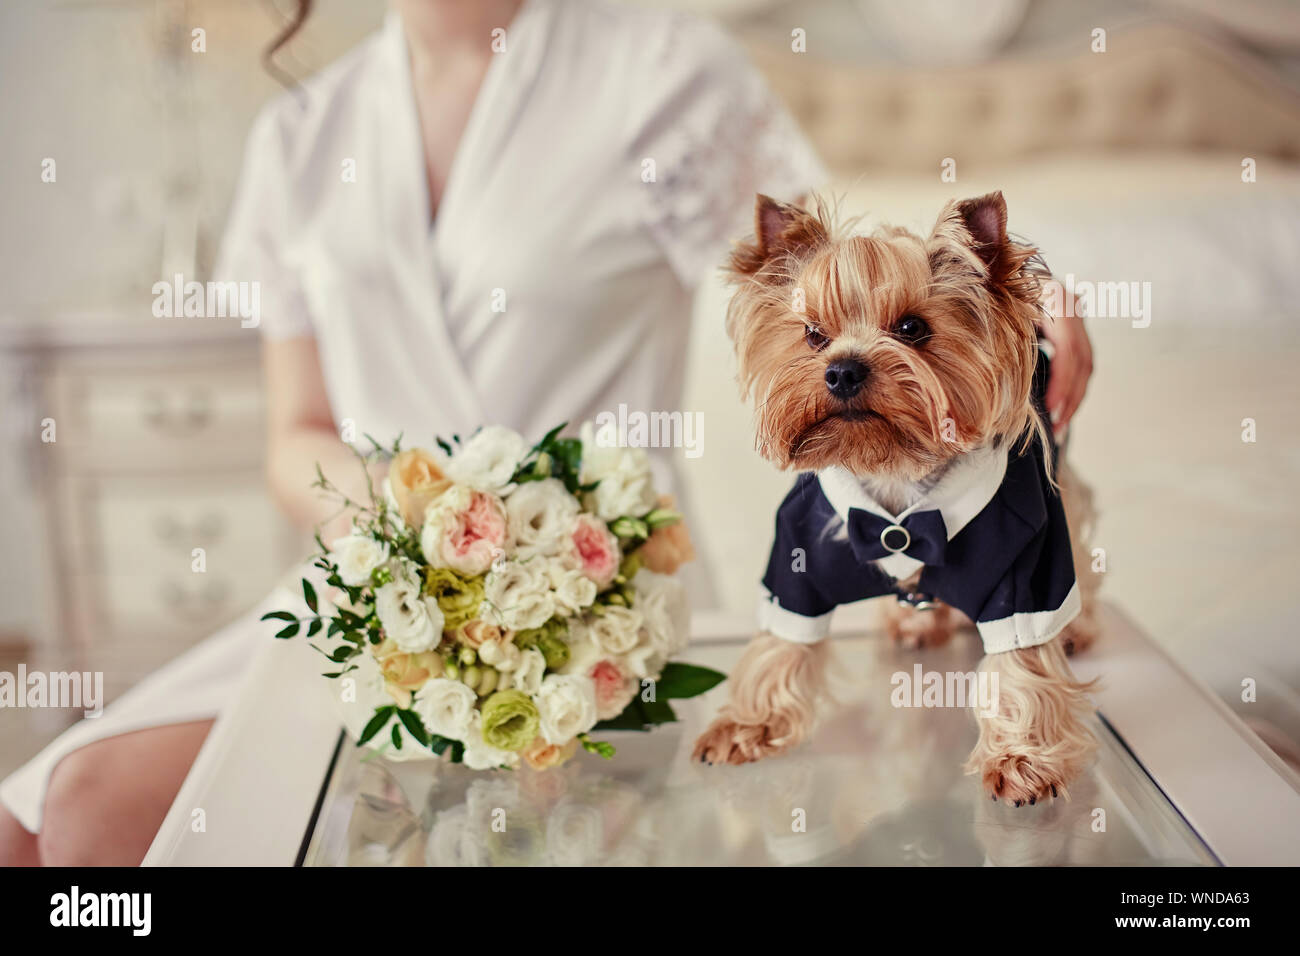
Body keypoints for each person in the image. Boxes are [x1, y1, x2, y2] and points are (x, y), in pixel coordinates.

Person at [0, 0, 1091, 865]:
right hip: (374, 589)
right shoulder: (300, 134)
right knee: (42, 820)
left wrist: (1024, 292)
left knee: (98, 816)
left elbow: (842, 274)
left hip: (604, 602)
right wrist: (425, 520)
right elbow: (295, 434)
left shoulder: (660, 72)